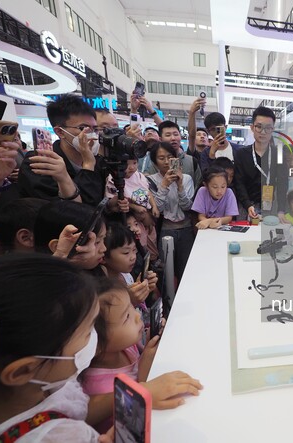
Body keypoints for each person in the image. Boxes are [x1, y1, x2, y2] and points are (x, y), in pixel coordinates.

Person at [0, 253, 112, 442]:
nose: (97, 335)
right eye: (88, 331)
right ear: (22, 370)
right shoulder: (62, 438)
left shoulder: (43, 376)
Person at [81, 278, 203, 433]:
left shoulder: (125, 346)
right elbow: (134, 423)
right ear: (94, 342)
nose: (138, 316)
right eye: (126, 317)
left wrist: (150, 340)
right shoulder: (101, 387)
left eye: (132, 308)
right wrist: (144, 372)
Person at [18, 95, 108, 206]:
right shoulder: (40, 163)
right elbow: (81, 211)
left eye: (94, 129)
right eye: (82, 128)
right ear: (60, 132)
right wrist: (88, 166)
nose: (92, 134)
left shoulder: (99, 162)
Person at [147, 142, 195, 285]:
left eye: (170, 157)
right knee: (167, 272)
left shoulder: (186, 178)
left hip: (186, 228)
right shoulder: (150, 181)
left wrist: (180, 186)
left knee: (186, 270)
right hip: (165, 229)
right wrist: (164, 185)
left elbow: (188, 207)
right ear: (155, 162)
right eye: (161, 158)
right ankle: (168, 303)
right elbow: (158, 210)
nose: (167, 162)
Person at [233, 106, 288, 222]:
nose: (263, 132)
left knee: (269, 238)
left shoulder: (279, 154)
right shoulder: (241, 153)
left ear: (273, 129)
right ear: (252, 127)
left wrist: (281, 210)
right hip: (245, 206)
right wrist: (248, 205)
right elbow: (239, 182)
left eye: (268, 128)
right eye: (259, 127)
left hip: (270, 206)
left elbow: (282, 183)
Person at [158, 120, 202, 188]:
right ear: (160, 139)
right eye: (168, 135)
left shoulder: (191, 161)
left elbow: (197, 185)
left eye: (176, 134)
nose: (173, 138)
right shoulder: (156, 161)